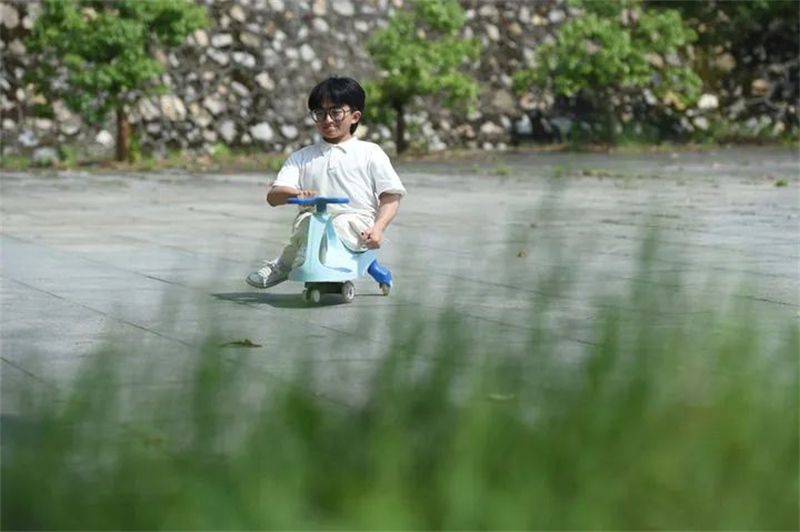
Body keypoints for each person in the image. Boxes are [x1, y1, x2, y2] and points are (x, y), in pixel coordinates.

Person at [247, 76, 407, 289]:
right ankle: (286, 264)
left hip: (356, 222)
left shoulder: (370, 153)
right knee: (311, 223)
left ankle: (293, 262)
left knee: (336, 224)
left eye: (336, 112)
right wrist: (295, 194)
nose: (327, 120)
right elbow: (274, 196)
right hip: (312, 222)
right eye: (320, 113)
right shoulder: (302, 157)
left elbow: (390, 195)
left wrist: (378, 228)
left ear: (354, 116)